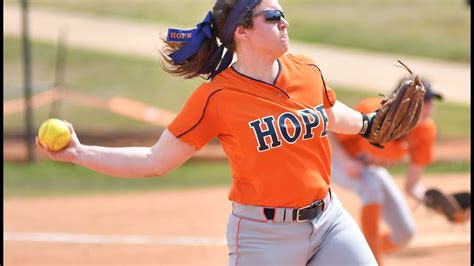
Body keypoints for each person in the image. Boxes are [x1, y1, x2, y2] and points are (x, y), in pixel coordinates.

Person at [37, 0, 378, 265]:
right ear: (241, 32)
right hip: (264, 237)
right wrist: (78, 153)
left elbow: (330, 113)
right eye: (272, 17)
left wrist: (368, 124)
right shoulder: (217, 97)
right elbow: (155, 160)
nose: (284, 22)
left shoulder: (306, 68)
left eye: (282, 14)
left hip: (330, 221)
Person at [329, 78, 444, 266]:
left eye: (430, 102)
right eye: (424, 101)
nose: (429, 107)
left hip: (369, 170)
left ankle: (349, 255)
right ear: (403, 101)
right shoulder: (372, 111)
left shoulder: (425, 131)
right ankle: (372, 261)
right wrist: (345, 161)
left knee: (404, 233)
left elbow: (412, 186)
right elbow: (328, 128)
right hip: (335, 160)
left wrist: (439, 205)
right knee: (372, 187)